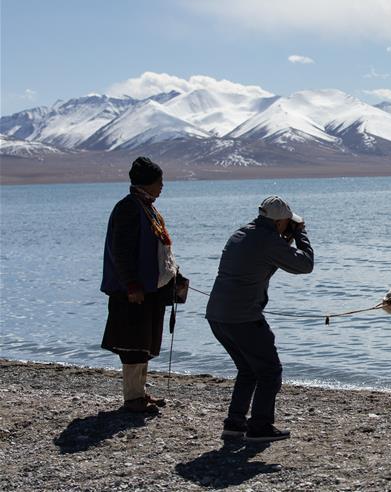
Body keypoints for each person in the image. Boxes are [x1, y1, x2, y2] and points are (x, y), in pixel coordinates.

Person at [206, 196, 314, 443]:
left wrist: (286, 237)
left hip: (217, 316)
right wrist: (301, 235)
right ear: (280, 222)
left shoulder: (241, 234)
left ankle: (234, 424)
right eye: (288, 222)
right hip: (243, 317)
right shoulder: (268, 241)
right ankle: (259, 426)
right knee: (270, 371)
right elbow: (305, 265)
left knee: (248, 369)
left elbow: (269, 256)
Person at [101, 156, 187, 413]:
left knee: (144, 343)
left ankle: (139, 393)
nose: (162, 186)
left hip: (149, 289)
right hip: (133, 292)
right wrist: (131, 285)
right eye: (159, 181)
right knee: (133, 345)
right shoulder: (128, 208)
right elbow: (121, 252)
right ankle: (132, 398)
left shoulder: (146, 207)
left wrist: (175, 275)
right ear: (147, 183)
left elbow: (160, 250)